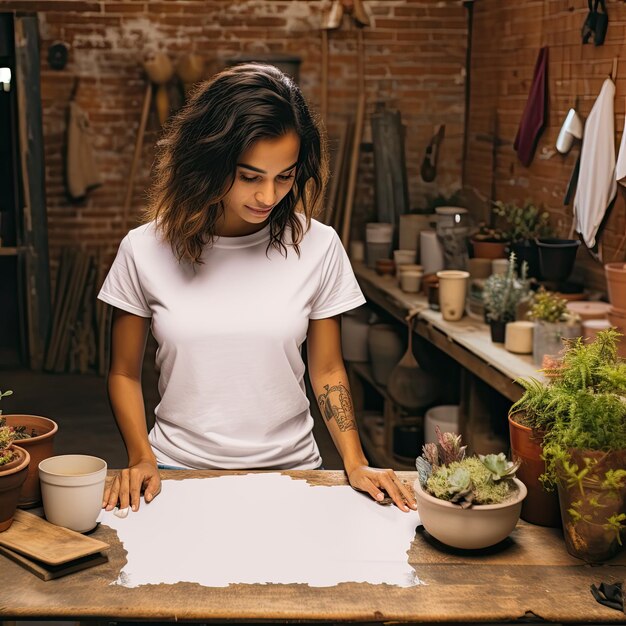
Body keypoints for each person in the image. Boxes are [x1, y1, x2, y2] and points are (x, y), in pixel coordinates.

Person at [98, 63, 417, 515]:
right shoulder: (145, 249)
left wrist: (356, 461)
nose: (268, 196)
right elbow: (123, 374)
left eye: (284, 176)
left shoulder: (318, 246)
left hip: (293, 474)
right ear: (209, 162)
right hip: (176, 474)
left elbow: (326, 371)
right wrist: (139, 457)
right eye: (250, 176)